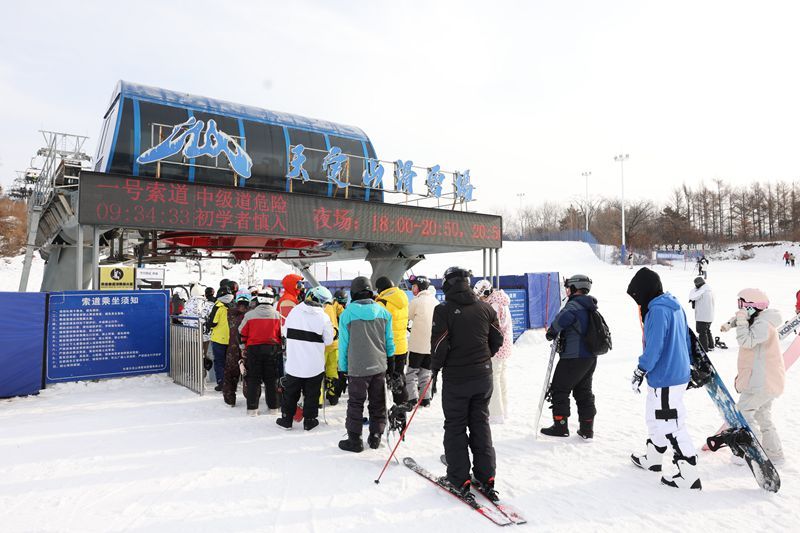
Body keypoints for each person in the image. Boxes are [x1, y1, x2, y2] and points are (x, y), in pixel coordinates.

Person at [432, 266, 504, 498]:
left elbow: (439, 345)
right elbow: (497, 339)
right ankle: (486, 476)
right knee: (480, 424)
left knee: (455, 426)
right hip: (483, 376)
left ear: (448, 284)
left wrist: (435, 368)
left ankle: (458, 477)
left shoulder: (443, 309)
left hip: (457, 378)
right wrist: (483, 358)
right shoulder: (485, 308)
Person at [627, 267, 701, 490]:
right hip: (667, 375)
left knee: (671, 424)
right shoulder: (674, 305)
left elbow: (654, 346)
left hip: (667, 376)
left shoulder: (657, 311)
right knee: (654, 416)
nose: (638, 302)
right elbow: (687, 339)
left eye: (637, 296)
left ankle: (688, 474)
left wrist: (641, 369)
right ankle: (653, 458)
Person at [719, 289, 785, 464]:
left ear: (753, 307)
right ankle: (774, 453)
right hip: (765, 380)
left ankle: (750, 452)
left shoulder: (764, 325)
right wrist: (731, 323)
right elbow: (743, 320)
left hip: (761, 381)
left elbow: (746, 341)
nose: (740, 308)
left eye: (742, 305)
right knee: (763, 416)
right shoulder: (759, 320)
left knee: (744, 414)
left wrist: (741, 321)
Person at [337, 276, 395, 452]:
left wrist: (342, 368)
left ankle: (354, 440)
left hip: (357, 368)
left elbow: (343, 345)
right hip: (378, 366)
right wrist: (391, 363)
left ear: (353, 293)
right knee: (378, 403)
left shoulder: (347, 314)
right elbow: (389, 341)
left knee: (355, 403)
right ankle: (376, 435)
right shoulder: (384, 312)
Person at [541, 275, 599, 438]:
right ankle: (587, 429)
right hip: (589, 358)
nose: (566, 290)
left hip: (573, 357)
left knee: (559, 389)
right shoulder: (589, 306)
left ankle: (560, 426)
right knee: (584, 391)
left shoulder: (574, 305)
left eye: (568, 287)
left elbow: (559, 322)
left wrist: (551, 333)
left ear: (574, 288)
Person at [276, 286, 335, 431]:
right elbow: (328, 340)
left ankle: (286, 419)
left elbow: (285, 332)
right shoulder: (323, 317)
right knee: (312, 394)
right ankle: (309, 421)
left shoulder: (295, 311)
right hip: (314, 365)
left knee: (290, 393)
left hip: (294, 363)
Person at [474, 279, 514, 425]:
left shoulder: (495, 305)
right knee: (501, 378)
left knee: (494, 380)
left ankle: (496, 414)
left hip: (497, 348)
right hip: (504, 346)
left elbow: (492, 328)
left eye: (481, 296)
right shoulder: (499, 301)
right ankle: (504, 410)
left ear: (486, 293)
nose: (480, 300)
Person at [239, 287, 282, 416]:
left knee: (253, 379)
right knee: (271, 379)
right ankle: (273, 407)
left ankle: (252, 409)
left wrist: (243, 348)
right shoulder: (277, 315)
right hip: (272, 350)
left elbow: (241, 332)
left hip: (253, 350)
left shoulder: (249, 315)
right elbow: (282, 334)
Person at [375, 276, 410, 411]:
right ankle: (401, 404)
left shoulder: (382, 303)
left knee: (383, 379)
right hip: (402, 346)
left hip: (387, 348)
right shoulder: (403, 299)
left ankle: (383, 408)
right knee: (399, 376)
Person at [404, 275, 438, 409]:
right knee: (426, 372)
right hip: (430, 346)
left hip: (417, 346)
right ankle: (426, 398)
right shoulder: (435, 301)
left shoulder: (416, 301)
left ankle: (412, 398)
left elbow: (408, 315)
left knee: (412, 373)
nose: (412, 289)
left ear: (420, 287)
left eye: (414, 286)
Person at [222, 295, 250, 406]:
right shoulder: (250, 316)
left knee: (230, 373)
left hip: (233, 347)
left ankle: (230, 399)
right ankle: (251, 398)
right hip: (247, 348)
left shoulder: (230, 314)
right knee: (250, 373)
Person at [207, 286, 234, 391]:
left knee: (219, 362)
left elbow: (212, 323)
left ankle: (222, 383)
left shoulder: (218, 306)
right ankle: (231, 383)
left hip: (219, 339)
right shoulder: (233, 305)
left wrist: (207, 324)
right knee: (230, 362)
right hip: (231, 338)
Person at [688, 276, 715, 352]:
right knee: (707, 330)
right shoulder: (709, 290)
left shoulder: (702, 291)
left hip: (702, 316)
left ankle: (704, 348)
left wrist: (695, 289)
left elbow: (692, 296)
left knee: (702, 332)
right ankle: (711, 345)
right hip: (709, 316)